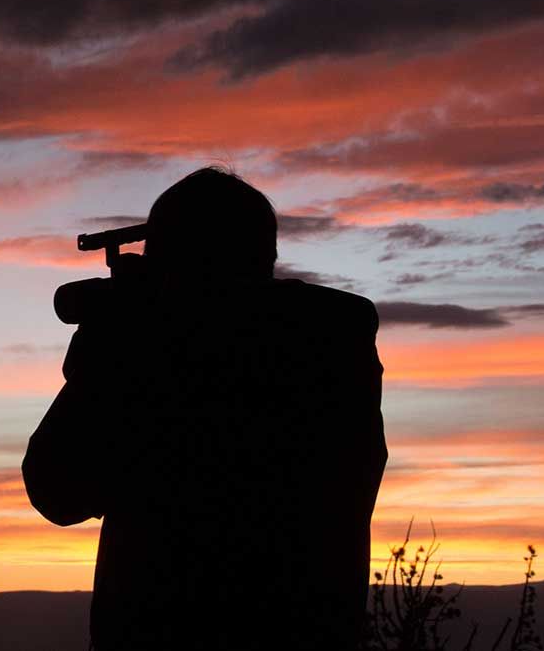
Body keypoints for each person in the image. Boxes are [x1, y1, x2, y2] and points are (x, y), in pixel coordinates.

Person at [23, 167, 387, 650]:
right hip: (312, 628)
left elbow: (58, 490)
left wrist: (107, 354)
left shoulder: (160, 351)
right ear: (266, 255)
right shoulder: (336, 335)